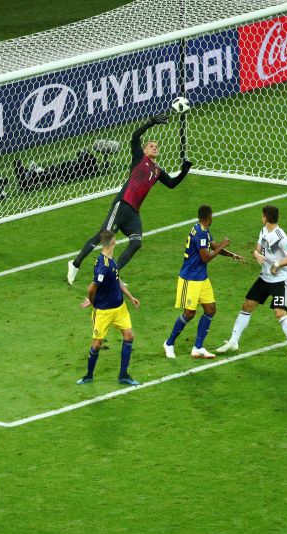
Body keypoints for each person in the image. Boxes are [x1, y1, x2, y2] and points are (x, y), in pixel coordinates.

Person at [67, 115, 192, 283]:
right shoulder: (139, 157)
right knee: (102, 237)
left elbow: (171, 184)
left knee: (136, 243)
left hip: (134, 213)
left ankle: (114, 274)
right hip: (123, 204)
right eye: (151, 146)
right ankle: (74, 264)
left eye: (156, 146)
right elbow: (134, 136)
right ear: (145, 149)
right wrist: (150, 122)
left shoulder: (158, 171)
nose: (155, 148)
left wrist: (184, 171)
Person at [215, 206, 287, 359]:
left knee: (279, 313)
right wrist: (256, 254)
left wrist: (277, 264)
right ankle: (234, 341)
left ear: (266, 218)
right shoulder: (263, 231)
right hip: (265, 277)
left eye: (262, 216)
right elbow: (258, 248)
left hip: (280, 281)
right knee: (247, 305)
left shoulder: (281, 237)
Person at [163, 205, 244, 360]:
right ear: (209, 217)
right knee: (189, 313)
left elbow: (214, 246)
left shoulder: (202, 229)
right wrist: (223, 245)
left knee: (210, 309)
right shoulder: (200, 233)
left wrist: (232, 254)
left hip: (202, 277)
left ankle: (198, 347)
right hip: (190, 278)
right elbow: (205, 257)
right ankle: (169, 343)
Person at [77, 229, 142, 386]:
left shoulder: (111, 261)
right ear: (113, 242)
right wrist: (93, 302)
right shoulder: (103, 265)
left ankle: (123, 375)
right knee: (97, 344)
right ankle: (89, 375)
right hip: (104, 311)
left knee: (129, 336)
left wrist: (131, 297)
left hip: (120, 308)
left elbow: (117, 281)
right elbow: (92, 288)